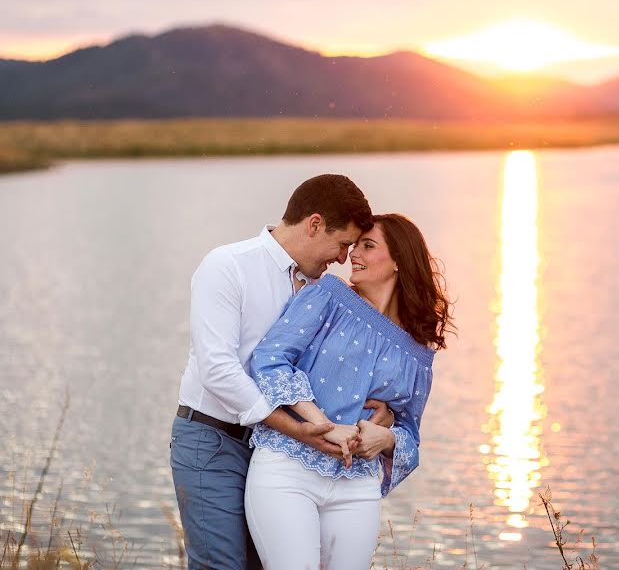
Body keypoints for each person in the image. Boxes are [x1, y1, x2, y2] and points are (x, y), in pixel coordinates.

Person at [170, 174, 395, 570]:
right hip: (212, 439)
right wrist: (294, 428)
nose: (343, 259)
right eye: (342, 244)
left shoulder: (324, 292)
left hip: (274, 451)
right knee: (219, 564)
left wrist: (379, 415)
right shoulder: (228, 265)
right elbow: (218, 369)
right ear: (314, 224)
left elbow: (332, 373)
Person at [244, 213, 453, 570]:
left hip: (356, 484)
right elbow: (270, 359)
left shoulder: (417, 354)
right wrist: (323, 424)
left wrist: (384, 439)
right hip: (288, 468)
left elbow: (410, 436)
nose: (353, 254)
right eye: (354, 244)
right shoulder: (328, 295)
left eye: (368, 246)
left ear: (399, 260)